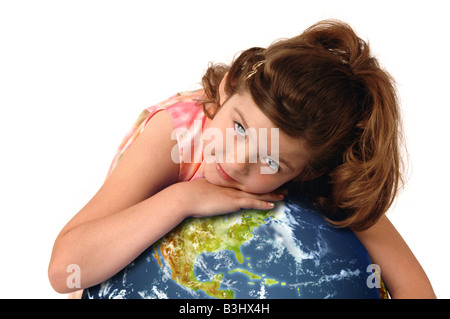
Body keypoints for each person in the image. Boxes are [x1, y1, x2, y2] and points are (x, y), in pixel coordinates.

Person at [48, 20, 436, 298]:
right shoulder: (175, 136)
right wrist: (182, 198)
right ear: (229, 85)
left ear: (310, 170)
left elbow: (415, 286)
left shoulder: (329, 170)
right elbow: (66, 270)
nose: (234, 163)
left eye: (271, 161)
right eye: (238, 127)